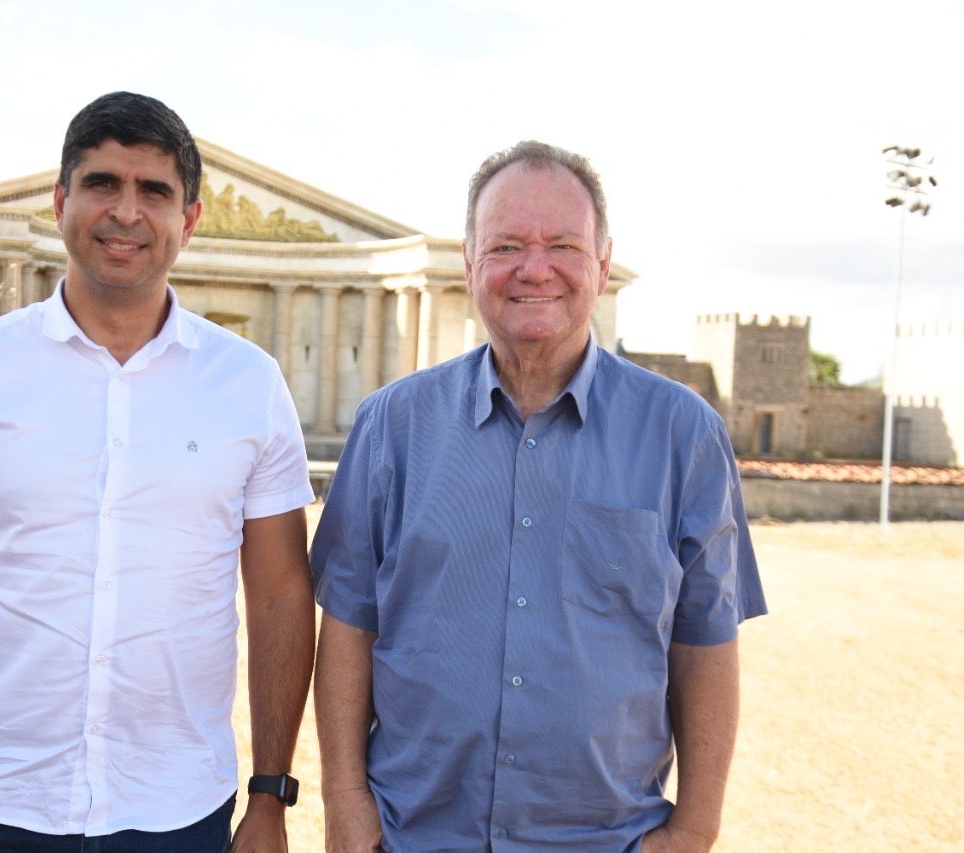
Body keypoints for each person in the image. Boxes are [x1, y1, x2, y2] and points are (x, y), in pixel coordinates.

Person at [0, 92, 318, 852]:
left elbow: (279, 596)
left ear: (191, 219)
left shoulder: (251, 384)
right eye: (103, 183)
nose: (126, 212)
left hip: (179, 807)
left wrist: (270, 798)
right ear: (61, 200)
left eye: (155, 191)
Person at [311, 141, 767, 852]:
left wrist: (695, 829)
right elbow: (348, 623)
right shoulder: (390, 426)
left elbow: (705, 642)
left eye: (562, 244)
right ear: (469, 263)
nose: (535, 267)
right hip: (414, 836)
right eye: (506, 245)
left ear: (602, 262)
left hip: (606, 840)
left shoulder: (684, 434)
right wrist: (344, 802)